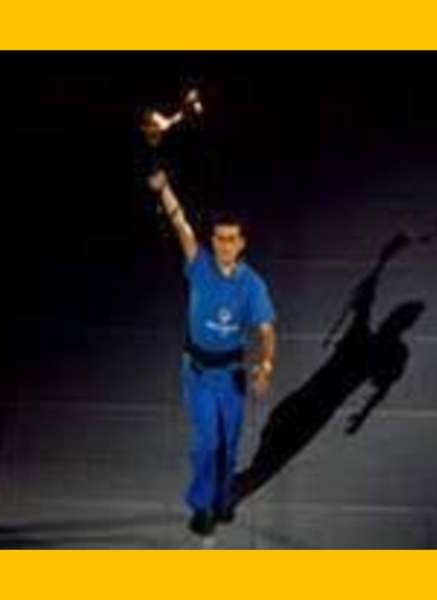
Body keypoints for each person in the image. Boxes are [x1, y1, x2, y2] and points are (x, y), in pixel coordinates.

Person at [147, 168, 277, 537]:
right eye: (220, 238)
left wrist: (266, 364)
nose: (225, 245)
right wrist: (164, 189)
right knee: (208, 443)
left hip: (231, 377)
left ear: (242, 243)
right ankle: (203, 505)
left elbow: (267, 330)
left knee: (229, 447)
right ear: (213, 240)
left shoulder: (252, 285)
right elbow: (180, 223)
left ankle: (223, 497)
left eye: (231, 239)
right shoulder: (199, 265)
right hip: (198, 374)